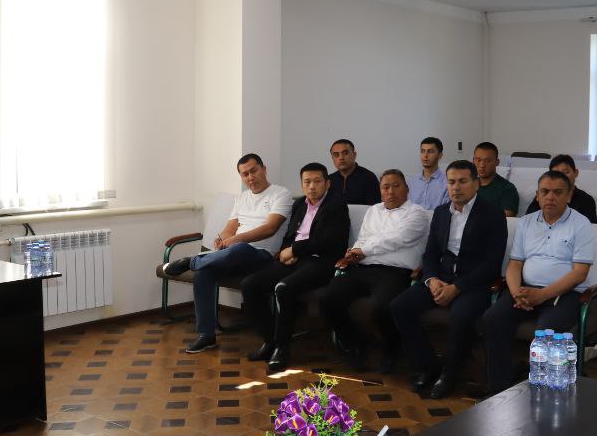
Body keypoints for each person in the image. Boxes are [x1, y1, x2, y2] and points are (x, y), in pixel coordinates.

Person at [390, 159, 506, 399]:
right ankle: (428, 365)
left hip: (473, 283)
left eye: (462, 182)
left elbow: (492, 263)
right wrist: (431, 279)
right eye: (451, 182)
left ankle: (449, 375)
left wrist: (457, 287)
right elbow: (430, 254)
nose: (456, 187)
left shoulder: (492, 214)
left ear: (476, 184)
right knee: (399, 306)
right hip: (441, 278)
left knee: (461, 317)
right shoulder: (442, 212)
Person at [481, 170, 596, 395]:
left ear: (569, 195)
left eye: (557, 192)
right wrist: (517, 292)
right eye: (545, 192)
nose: (550, 197)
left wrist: (542, 295)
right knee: (492, 319)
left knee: (548, 330)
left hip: (564, 294)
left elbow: (580, 273)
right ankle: (499, 389)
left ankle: (546, 392)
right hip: (525, 290)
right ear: (537, 195)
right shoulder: (526, 222)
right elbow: (515, 264)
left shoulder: (581, 224)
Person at [163, 154, 291, 354]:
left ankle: (191, 261)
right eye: (245, 174)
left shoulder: (281, 194)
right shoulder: (242, 198)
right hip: (234, 254)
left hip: (262, 256)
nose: (250, 177)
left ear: (263, 169)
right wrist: (222, 239)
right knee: (204, 273)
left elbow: (270, 229)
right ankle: (206, 335)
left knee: (239, 248)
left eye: (253, 171)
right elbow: (229, 229)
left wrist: (236, 240)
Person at [240, 162, 349, 372]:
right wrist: (286, 251)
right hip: (295, 259)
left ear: (327, 183)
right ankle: (270, 340)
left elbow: (328, 242)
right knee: (250, 285)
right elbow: (290, 235)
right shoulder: (299, 204)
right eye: (307, 182)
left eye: (317, 181)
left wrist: (295, 250)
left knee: (284, 288)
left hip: (320, 262)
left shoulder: (336, 206)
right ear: (302, 184)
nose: (312, 186)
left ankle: (282, 348)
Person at [321, 169, 430, 372]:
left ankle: (392, 348)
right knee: (328, 299)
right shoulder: (374, 211)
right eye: (385, 187)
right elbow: (363, 237)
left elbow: (398, 239)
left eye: (396, 186)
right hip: (363, 267)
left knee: (383, 307)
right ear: (380, 191)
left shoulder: (418, 213)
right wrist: (353, 252)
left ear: (407, 188)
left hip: (395, 272)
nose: (391, 191)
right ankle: (355, 343)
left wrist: (363, 250)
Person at [524, 154, 597, 222]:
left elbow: (591, 227)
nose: (561, 177)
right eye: (556, 173)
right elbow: (529, 221)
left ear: (576, 173)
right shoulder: (543, 196)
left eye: (566, 172)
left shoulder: (586, 200)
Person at [325, 138, 381, 206]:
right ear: (332, 158)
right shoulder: (329, 180)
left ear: (354, 155)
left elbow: (375, 208)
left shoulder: (369, 177)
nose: (341, 158)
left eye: (345, 153)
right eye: (336, 155)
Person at [472, 142, 519, 216]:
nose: (482, 165)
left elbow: (506, 218)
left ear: (497, 162)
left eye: (487, 161)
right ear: (473, 161)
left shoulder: (507, 189)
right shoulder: (468, 185)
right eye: (478, 160)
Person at [408, 136, 450, 210]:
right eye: (422, 151)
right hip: (413, 217)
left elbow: (445, 211)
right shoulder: (412, 181)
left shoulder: (447, 182)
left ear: (440, 155)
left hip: (436, 217)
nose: (425, 155)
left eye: (430, 151)